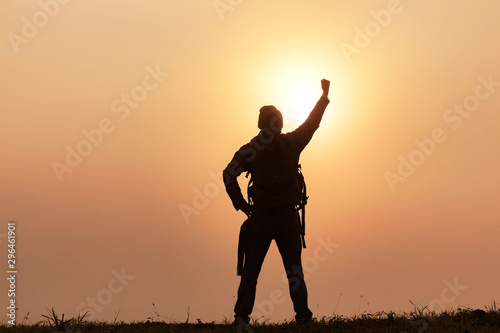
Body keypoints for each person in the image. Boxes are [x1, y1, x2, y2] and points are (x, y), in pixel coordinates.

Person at [223, 79, 330, 325]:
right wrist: (324, 96)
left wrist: (241, 204)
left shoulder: (252, 150)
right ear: (280, 124)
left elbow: (228, 174)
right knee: (294, 272)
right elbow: (313, 123)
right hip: (286, 218)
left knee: (251, 272)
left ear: (260, 124)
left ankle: (241, 318)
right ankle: (303, 317)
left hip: (260, 217)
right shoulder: (291, 143)